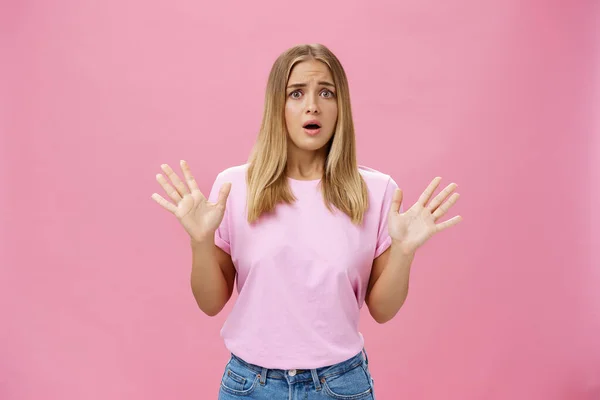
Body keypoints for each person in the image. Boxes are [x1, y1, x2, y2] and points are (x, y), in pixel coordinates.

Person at [151, 43, 462, 399]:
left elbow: (382, 310)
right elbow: (210, 303)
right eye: (296, 93)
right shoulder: (233, 187)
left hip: (341, 385)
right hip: (250, 386)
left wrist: (404, 252)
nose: (312, 105)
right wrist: (200, 242)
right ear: (277, 107)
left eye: (325, 92)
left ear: (339, 106)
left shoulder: (377, 192)